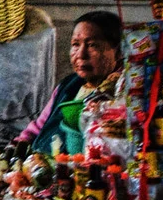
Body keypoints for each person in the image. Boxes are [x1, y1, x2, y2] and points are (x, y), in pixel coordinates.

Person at [16, 12, 125, 147]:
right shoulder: (68, 86)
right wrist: (19, 143)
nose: (81, 54)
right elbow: (38, 127)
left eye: (92, 45)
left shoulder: (123, 90)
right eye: (75, 44)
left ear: (119, 51)